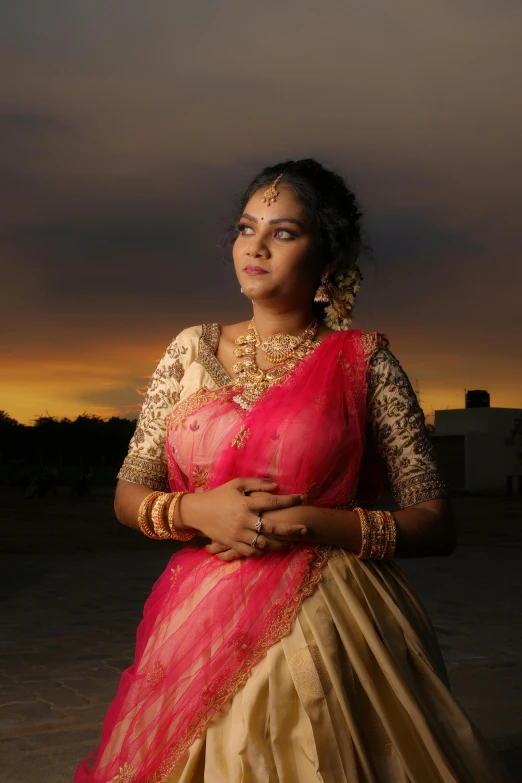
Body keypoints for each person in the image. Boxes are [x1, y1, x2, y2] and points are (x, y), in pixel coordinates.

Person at [75, 159, 513, 783]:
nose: (255, 245)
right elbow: (128, 492)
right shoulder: (188, 351)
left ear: (328, 260)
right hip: (198, 615)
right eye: (247, 227)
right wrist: (196, 510)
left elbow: (435, 524)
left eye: (283, 232)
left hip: (332, 617)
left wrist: (309, 522)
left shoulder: (367, 364)